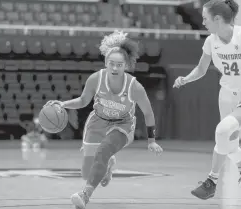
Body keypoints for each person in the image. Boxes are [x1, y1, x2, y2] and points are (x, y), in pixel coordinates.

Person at [173, 0, 241, 200]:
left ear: (217, 19)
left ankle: (211, 182)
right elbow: (201, 69)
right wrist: (186, 79)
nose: (203, 22)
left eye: (205, 18)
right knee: (228, 142)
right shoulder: (210, 41)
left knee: (222, 131)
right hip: (226, 96)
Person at [46, 30, 163, 208]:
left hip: (122, 125)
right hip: (98, 121)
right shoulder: (96, 79)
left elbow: (148, 112)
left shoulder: (134, 86)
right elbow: (83, 101)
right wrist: (63, 105)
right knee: (87, 171)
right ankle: (108, 165)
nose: (115, 68)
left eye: (119, 64)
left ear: (126, 65)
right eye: (111, 64)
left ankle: (85, 195)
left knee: (104, 150)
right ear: (106, 63)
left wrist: (151, 140)